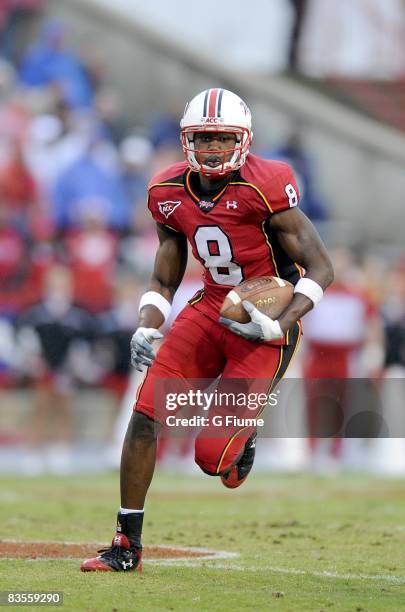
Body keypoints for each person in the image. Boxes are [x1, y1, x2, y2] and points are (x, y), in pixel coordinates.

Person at [81, 88, 333, 572]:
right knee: (144, 416)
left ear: (243, 140)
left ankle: (246, 433)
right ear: (185, 140)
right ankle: (126, 544)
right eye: (202, 138)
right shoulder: (166, 192)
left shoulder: (268, 184)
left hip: (266, 323)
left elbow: (321, 268)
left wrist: (277, 323)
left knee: (213, 461)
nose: (212, 147)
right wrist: (147, 324)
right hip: (209, 308)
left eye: (221, 138)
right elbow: (164, 274)